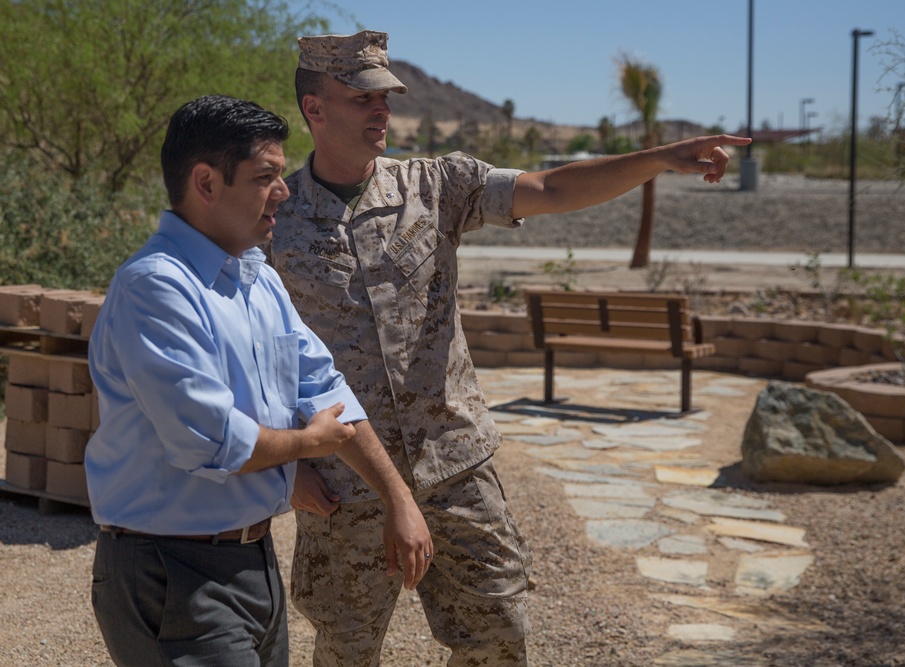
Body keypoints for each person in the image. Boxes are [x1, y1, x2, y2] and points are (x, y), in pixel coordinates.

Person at [268, 30, 752, 666]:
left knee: (498, 640)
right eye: (362, 96)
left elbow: (552, 189)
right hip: (344, 482)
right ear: (315, 109)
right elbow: (255, 348)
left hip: (456, 469)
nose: (381, 107)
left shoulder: (435, 186)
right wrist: (287, 465)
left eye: (386, 93)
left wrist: (658, 158)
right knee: (346, 651)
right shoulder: (273, 215)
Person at [85, 94, 432, 667]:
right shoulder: (157, 289)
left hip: (252, 560)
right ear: (206, 183)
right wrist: (307, 446)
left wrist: (398, 499)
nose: (285, 190)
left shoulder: (257, 281)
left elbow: (324, 389)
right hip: (174, 570)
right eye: (266, 176)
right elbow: (212, 441)